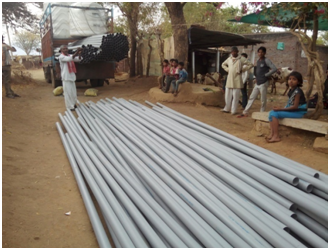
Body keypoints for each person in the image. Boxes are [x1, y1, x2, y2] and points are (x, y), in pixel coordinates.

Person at [266, 71, 307, 143]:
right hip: (293, 111)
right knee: (271, 113)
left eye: (294, 79)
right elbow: (290, 104)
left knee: (274, 114)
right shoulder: (291, 90)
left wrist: (280, 109)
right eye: (289, 79)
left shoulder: (298, 92)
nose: (291, 81)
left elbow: (295, 107)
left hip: (298, 112)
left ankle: (276, 136)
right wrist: (280, 108)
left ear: (299, 82)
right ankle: (272, 133)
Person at [238, 46, 277, 118]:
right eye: (259, 52)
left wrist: (266, 75)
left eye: (262, 52)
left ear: (264, 53)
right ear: (258, 53)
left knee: (263, 100)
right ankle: (245, 112)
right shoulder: (258, 61)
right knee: (251, 98)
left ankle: (262, 113)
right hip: (257, 83)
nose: (260, 53)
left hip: (263, 83)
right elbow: (258, 71)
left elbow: (274, 68)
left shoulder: (266, 60)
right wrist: (256, 78)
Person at [221, 46, 253, 115]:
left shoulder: (241, 59)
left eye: (235, 51)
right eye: (232, 51)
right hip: (229, 79)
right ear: (231, 52)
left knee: (235, 96)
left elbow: (250, 64)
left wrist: (243, 69)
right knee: (227, 95)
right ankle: (226, 108)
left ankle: (233, 110)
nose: (234, 53)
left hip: (237, 80)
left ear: (237, 52)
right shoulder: (229, 59)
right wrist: (227, 69)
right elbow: (223, 64)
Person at [59, 45, 83, 111]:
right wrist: (77, 51)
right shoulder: (61, 57)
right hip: (66, 77)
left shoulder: (69, 55)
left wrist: (80, 53)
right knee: (68, 93)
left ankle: (74, 104)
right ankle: (69, 106)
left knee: (73, 92)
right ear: (61, 50)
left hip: (72, 77)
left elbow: (79, 59)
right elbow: (70, 59)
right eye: (64, 49)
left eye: (66, 49)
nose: (66, 50)